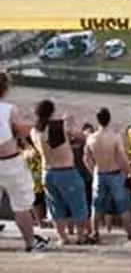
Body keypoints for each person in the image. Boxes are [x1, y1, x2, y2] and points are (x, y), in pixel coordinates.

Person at [31, 100, 93, 245]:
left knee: (55, 207)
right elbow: (81, 136)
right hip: (65, 170)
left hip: (47, 172)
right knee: (78, 204)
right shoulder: (58, 127)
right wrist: (71, 123)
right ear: (52, 111)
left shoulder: (34, 131)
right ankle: (80, 236)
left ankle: (62, 237)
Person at [0, 72, 49, 251]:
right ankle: (30, 242)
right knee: (21, 205)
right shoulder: (9, 109)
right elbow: (22, 129)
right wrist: (33, 124)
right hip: (10, 161)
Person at [83, 107, 131, 240]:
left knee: (97, 205)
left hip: (100, 172)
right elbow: (122, 157)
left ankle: (95, 232)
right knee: (123, 204)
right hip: (115, 173)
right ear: (109, 119)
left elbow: (86, 158)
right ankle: (129, 231)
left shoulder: (91, 138)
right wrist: (129, 172)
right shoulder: (115, 137)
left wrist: (92, 170)